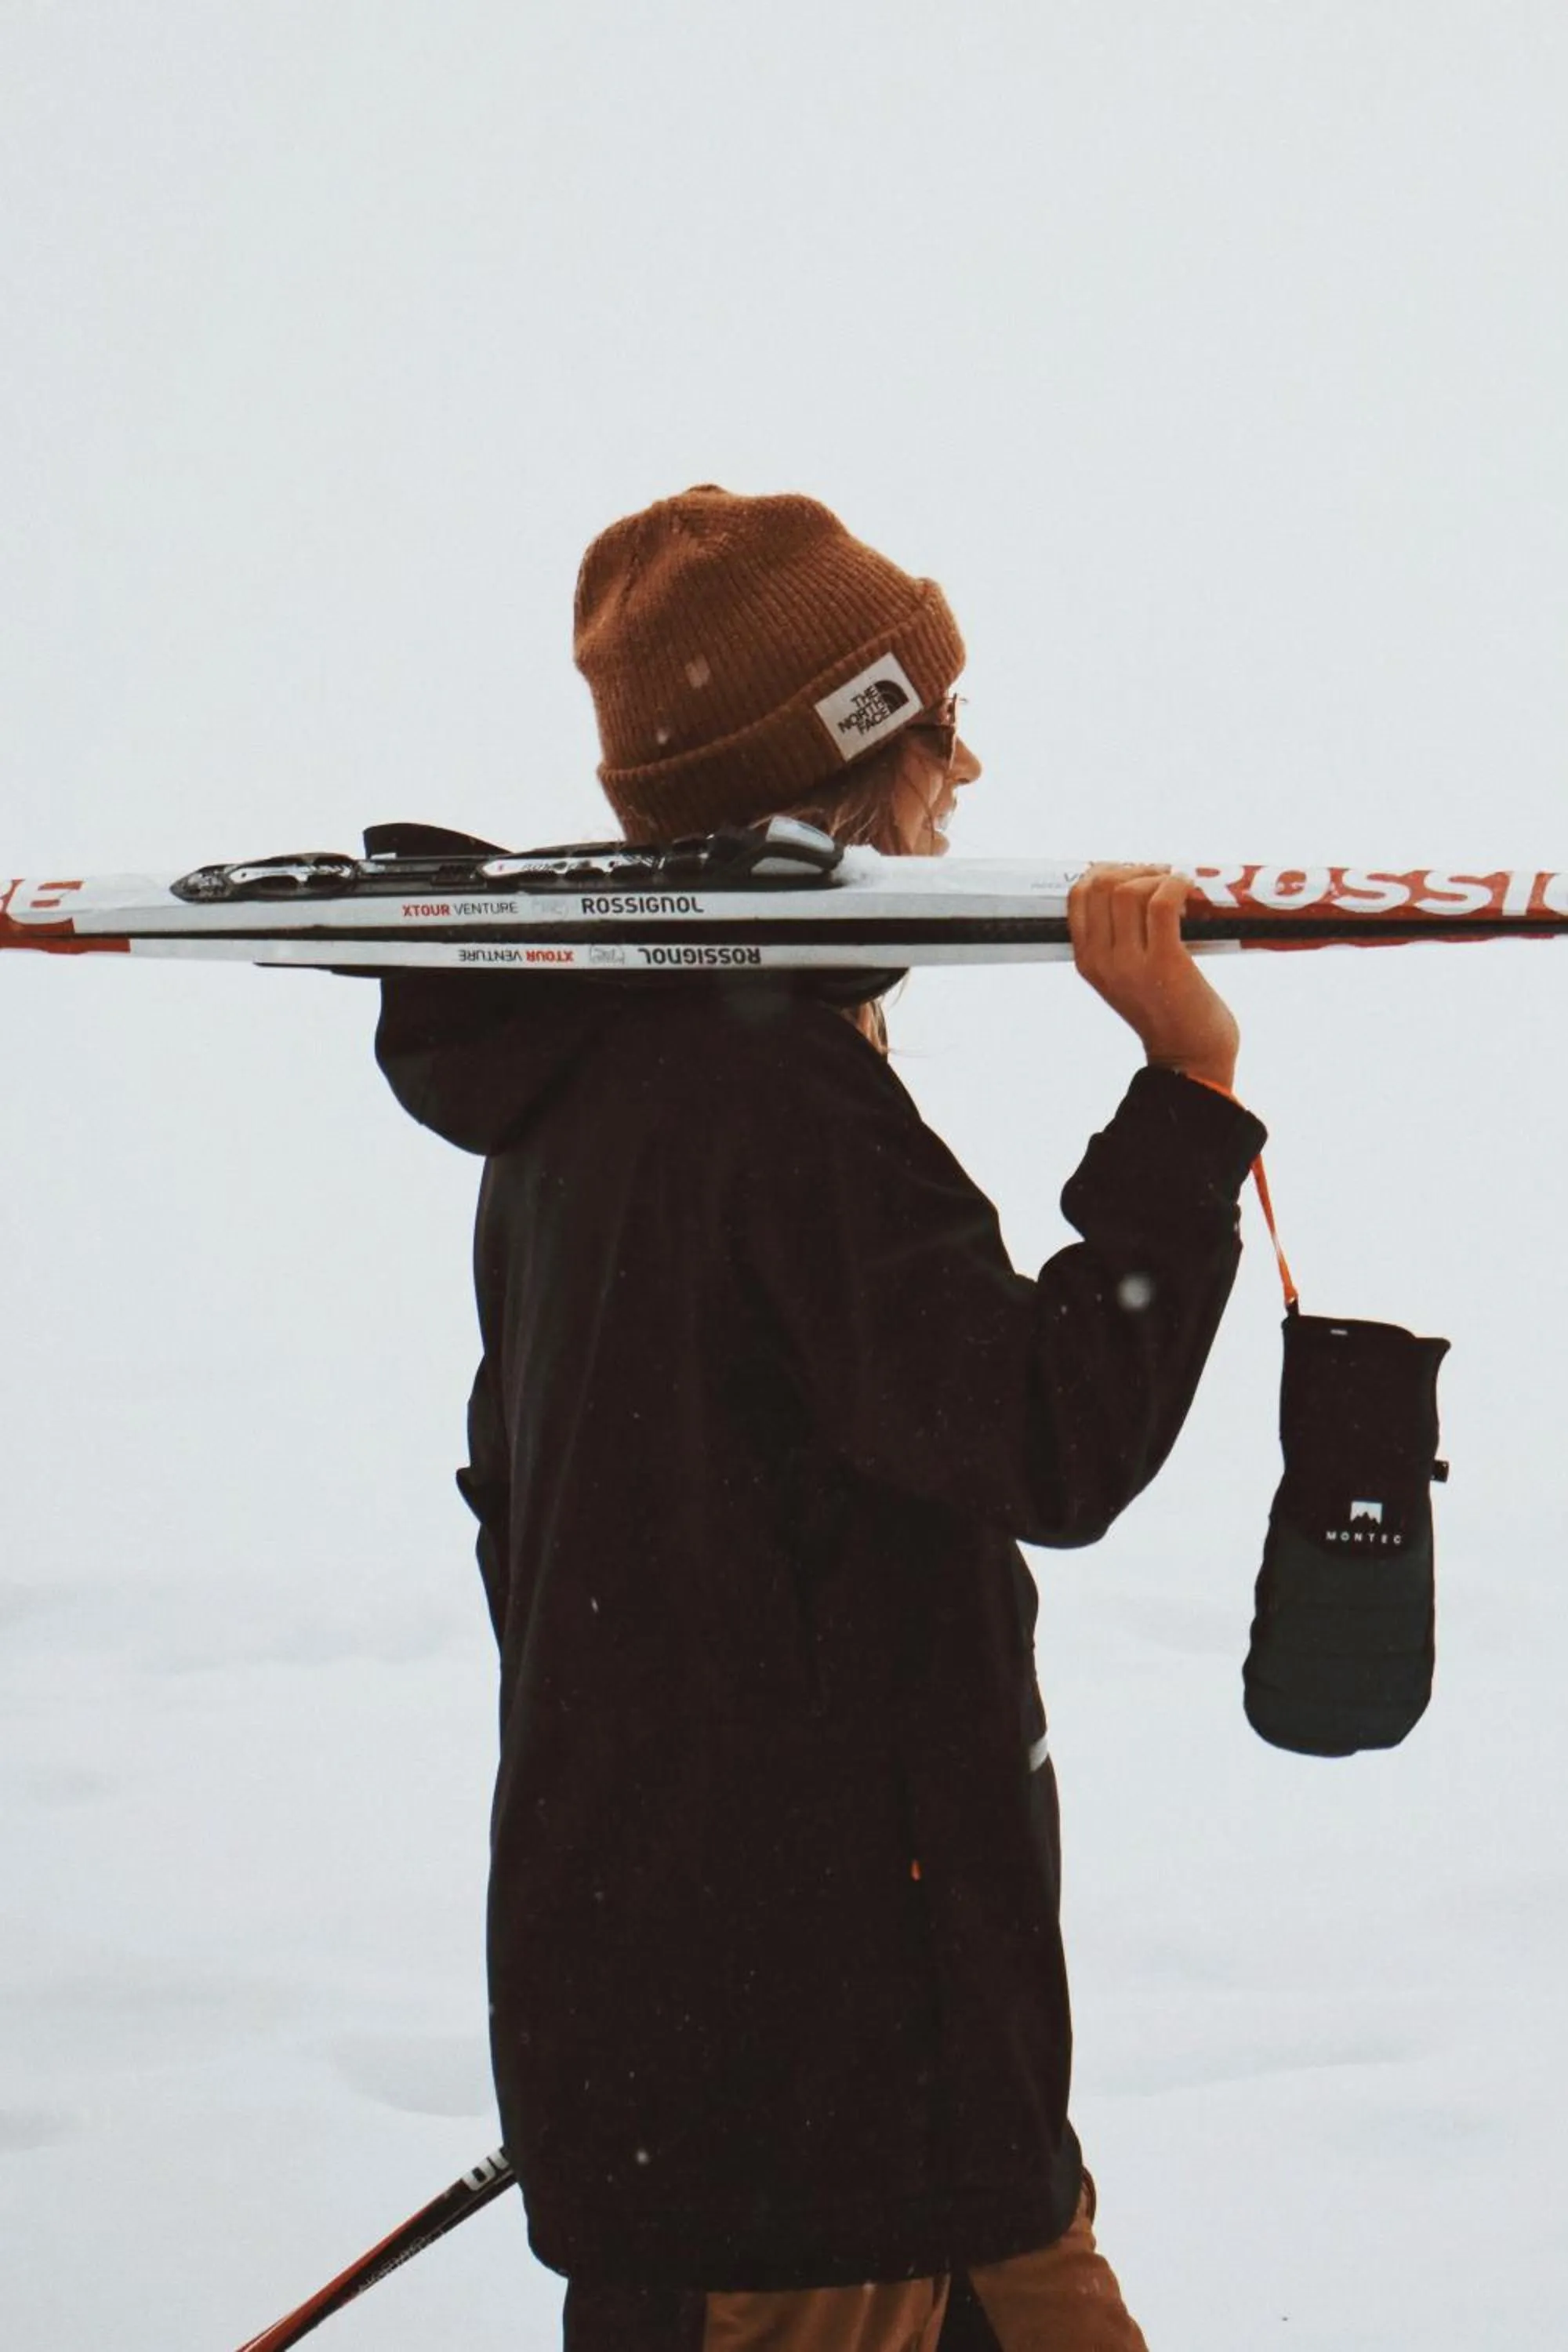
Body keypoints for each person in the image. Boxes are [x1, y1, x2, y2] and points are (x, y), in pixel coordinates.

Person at [375, 486, 1264, 2350]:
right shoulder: (762, 1102)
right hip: (802, 2110)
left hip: (858, 2061)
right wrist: (1185, 1093)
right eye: (935, 729)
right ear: (846, 772)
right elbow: (1046, 1436)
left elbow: (563, 1529)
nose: (966, 772)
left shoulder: (592, 1087)